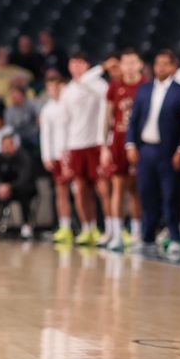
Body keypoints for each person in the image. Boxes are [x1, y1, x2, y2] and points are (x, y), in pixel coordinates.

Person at [126, 50, 180, 261]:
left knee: (171, 195)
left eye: (165, 64)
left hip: (168, 151)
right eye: (157, 63)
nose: (160, 68)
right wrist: (131, 144)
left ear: (173, 67)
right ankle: (147, 237)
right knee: (146, 193)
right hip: (146, 148)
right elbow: (133, 120)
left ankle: (173, 237)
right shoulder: (143, 90)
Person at [61, 54, 110, 246]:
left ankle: (110, 228)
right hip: (75, 145)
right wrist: (64, 151)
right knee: (80, 189)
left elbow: (107, 100)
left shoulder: (97, 84)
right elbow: (65, 122)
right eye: (73, 63)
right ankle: (88, 229)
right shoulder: (68, 91)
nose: (76, 67)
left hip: (95, 144)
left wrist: (97, 70)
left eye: (80, 63)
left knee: (102, 188)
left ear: (87, 65)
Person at [101, 48, 144, 251]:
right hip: (118, 142)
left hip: (140, 144)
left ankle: (137, 233)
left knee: (136, 189)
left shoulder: (146, 86)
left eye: (132, 62)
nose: (128, 67)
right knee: (117, 187)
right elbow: (107, 117)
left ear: (139, 64)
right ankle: (117, 234)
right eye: (124, 63)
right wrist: (104, 146)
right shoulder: (114, 87)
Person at [39, 74, 73, 244]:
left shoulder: (69, 105)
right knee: (61, 191)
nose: (53, 90)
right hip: (57, 155)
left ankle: (90, 226)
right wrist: (46, 156)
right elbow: (45, 135)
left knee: (83, 190)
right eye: (49, 87)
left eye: (56, 86)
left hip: (73, 152)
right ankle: (65, 227)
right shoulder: (47, 109)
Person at [0, 134, 36, 239]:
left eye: (9, 144)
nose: (6, 147)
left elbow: (25, 178)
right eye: (4, 145)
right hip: (2, 190)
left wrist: (9, 186)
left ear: (14, 145)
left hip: (20, 188)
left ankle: (26, 225)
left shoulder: (23, 156)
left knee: (24, 192)